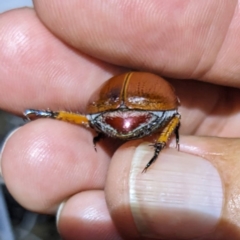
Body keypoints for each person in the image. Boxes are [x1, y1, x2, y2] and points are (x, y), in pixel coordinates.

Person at [0, 1, 240, 239]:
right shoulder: (164, 95)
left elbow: (94, 119)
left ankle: (58, 115)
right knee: (169, 118)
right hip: (145, 111)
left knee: (90, 121)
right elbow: (172, 115)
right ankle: (60, 116)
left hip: (107, 112)